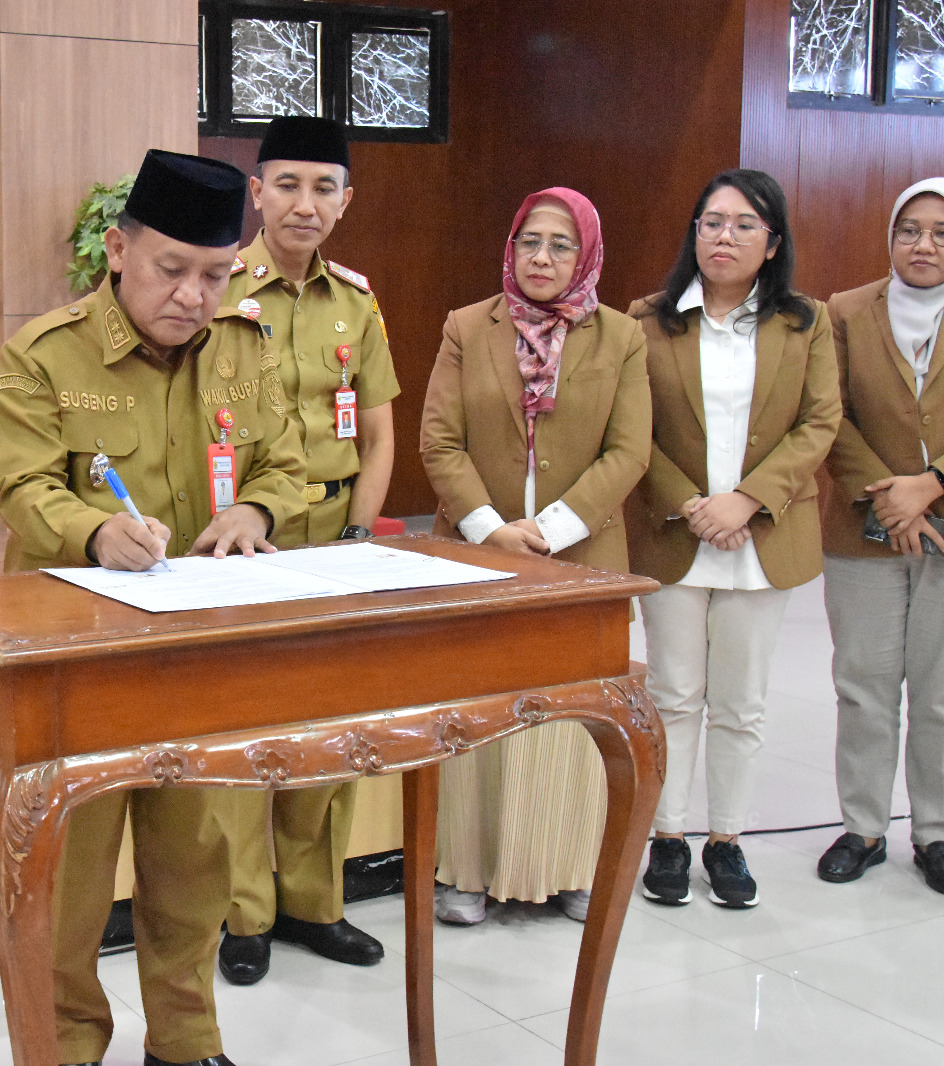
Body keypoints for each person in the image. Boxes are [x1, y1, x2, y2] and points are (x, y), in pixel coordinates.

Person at [0, 148, 306, 1066]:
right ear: (120, 251)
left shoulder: (247, 352)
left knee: (195, 862)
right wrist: (94, 533)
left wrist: (254, 509)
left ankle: (184, 1040)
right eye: (172, 269)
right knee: (70, 877)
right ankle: (67, 1047)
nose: (194, 296)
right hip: (75, 657)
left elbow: (282, 463)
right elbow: (21, 486)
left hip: (198, 655)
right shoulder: (45, 354)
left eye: (215, 275)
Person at [420, 187, 651, 925]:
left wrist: (550, 528)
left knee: (573, 720)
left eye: (561, 244)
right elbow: (439, 441)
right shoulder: (467, 327)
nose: (543, 257)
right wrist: (492, 530)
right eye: (530, 241)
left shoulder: (621, 337)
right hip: (479, 553)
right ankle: (466, 871)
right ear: (510, 248)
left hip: (581, 555)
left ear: (585, 254)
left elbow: (629, 450)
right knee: (479, 714)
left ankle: (573, 866)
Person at [214, 116, 397, 986]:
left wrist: (362, 534)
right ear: (256, 192)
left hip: (333, 539)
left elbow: (381, 434)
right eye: (287, 184)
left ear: (347, 201)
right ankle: (244, 913)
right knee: (248, 727)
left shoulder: (356, 302)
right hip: (245, 545)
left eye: (325, 187)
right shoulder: (216, 291)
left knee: (335, 727)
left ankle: (316, 904)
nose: (305, 203)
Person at [628, 168, 839, 909]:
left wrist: (746, 501)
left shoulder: (805, 322)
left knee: (743, 702)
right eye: (713, 222)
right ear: (694, 233)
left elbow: (820, 423)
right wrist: (691, 504)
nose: (726, 236)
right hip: (675, 533)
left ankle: (727, 841)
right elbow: (633, 432)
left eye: (745, 224)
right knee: (675, 694)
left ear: (772, 241)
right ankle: (667, 837)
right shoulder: (649, 319)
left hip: (763, 535)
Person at [817, 177, 944, 894]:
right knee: (863, 684)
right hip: (860, 533)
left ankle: (935, 832)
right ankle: (863, 826)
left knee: (939, 692)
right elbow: (827, 415)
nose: (922, 245)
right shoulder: (844, 311)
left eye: (939, 233)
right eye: (909, 230)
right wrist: (895, 501)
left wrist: (931, 487)